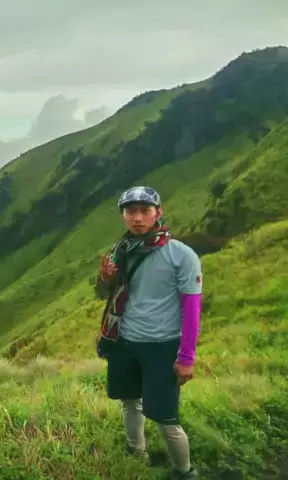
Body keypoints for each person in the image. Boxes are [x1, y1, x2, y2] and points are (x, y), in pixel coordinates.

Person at [94, 186, 202, 479]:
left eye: (145, 211)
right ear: (123, 216)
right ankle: (136, 452)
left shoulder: (182, 255)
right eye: (131, 212)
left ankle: (184, 472)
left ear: (158, 213)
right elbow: (103, 294)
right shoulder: (122, 251)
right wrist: (105, 279)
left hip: (161, 346)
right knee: (130, 402)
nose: (138, 218)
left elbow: (192, 309)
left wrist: (187, 357)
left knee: (167, 418)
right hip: (124, 341)